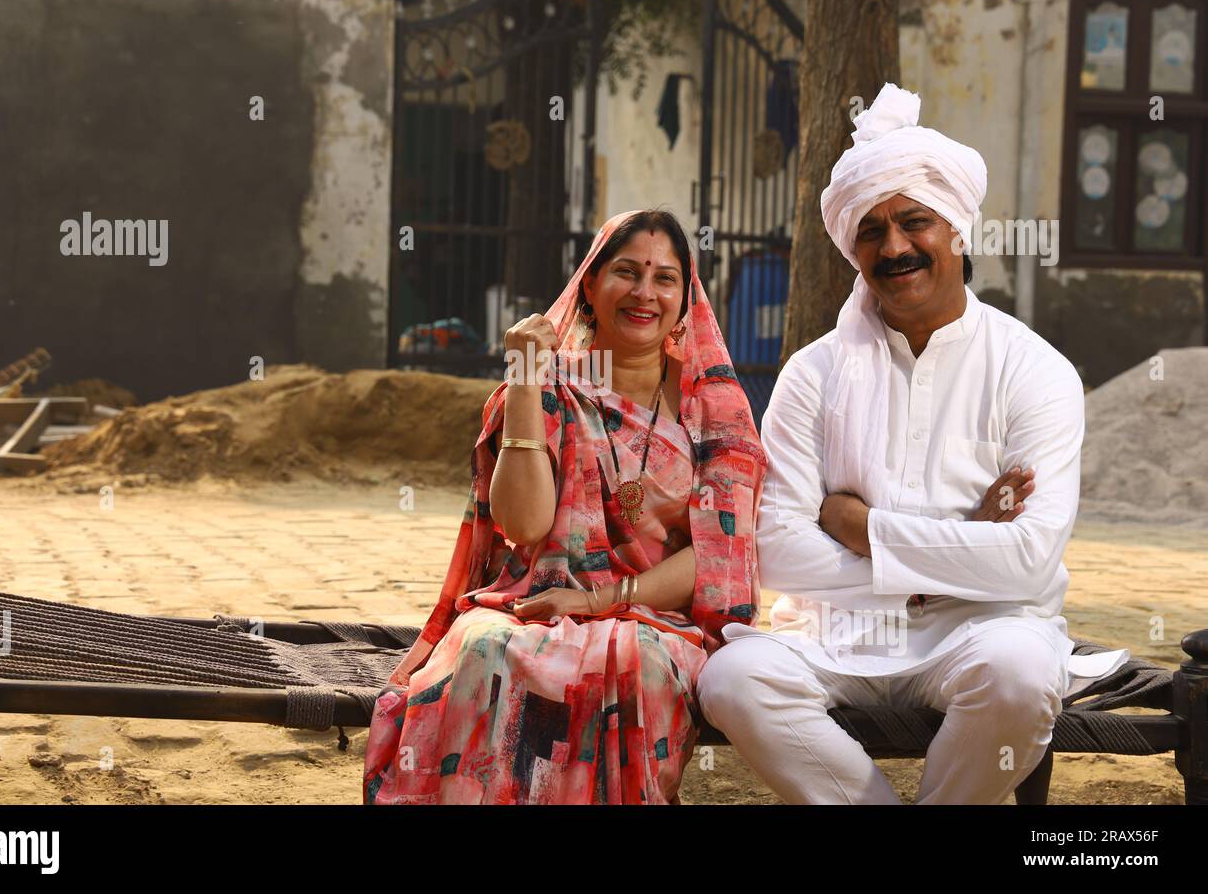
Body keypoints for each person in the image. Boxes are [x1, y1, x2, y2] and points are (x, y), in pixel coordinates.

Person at [696, 83, 1130, 805]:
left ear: (957, 229)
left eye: (914, 222)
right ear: (851, 248)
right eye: (870, 230)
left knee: (1021, 674)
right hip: (833, 636)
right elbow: (776, 550)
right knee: (732, 680)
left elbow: (1026, 563)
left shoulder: (1034, 371)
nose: (894, 246)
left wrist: (860, 528)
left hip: (979, 632)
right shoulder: (815, 372)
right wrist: (959, 549)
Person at [363, 208, 765, 804]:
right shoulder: (549, 386)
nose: (644, 293)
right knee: (484, 648)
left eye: (665, 278)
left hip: (657, 617)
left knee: (638, 665)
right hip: (536, 603)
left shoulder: (713, 408)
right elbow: (522, 523)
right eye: (627, 272)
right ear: (591, 284)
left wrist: (603, 600)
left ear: (685, 298)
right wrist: (526, 379)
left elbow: (722, 556)